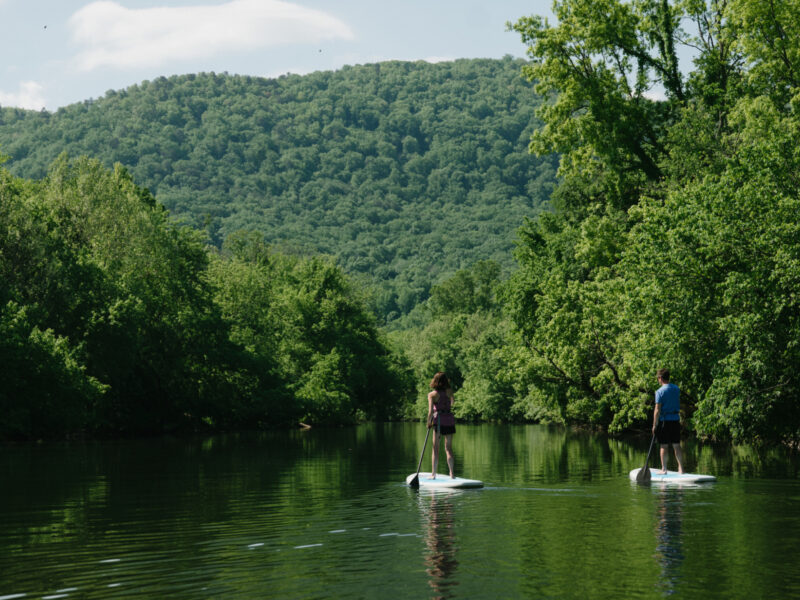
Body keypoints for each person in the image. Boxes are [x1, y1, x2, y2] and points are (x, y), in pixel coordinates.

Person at [652, 368, 684, 474]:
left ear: (660, 378)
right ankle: (681, 469)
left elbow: (657, 410)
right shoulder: (676, 389)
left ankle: (664, 469)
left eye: (658, 378)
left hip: (664, 421)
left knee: (664, 446)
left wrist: (654, 425)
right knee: (676, 445)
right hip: (675, 420)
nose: (658, 380)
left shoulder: (659, 391)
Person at [427, 372, 456, 479]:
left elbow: (430, 411)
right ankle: (452, 473)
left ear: (435, 381)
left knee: (435, 448)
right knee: (448, 448)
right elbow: (452, 403)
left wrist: (428, 422)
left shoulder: (432, 395)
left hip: (438, 421)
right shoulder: (450, 392)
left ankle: (433, 474)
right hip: (449, 420)